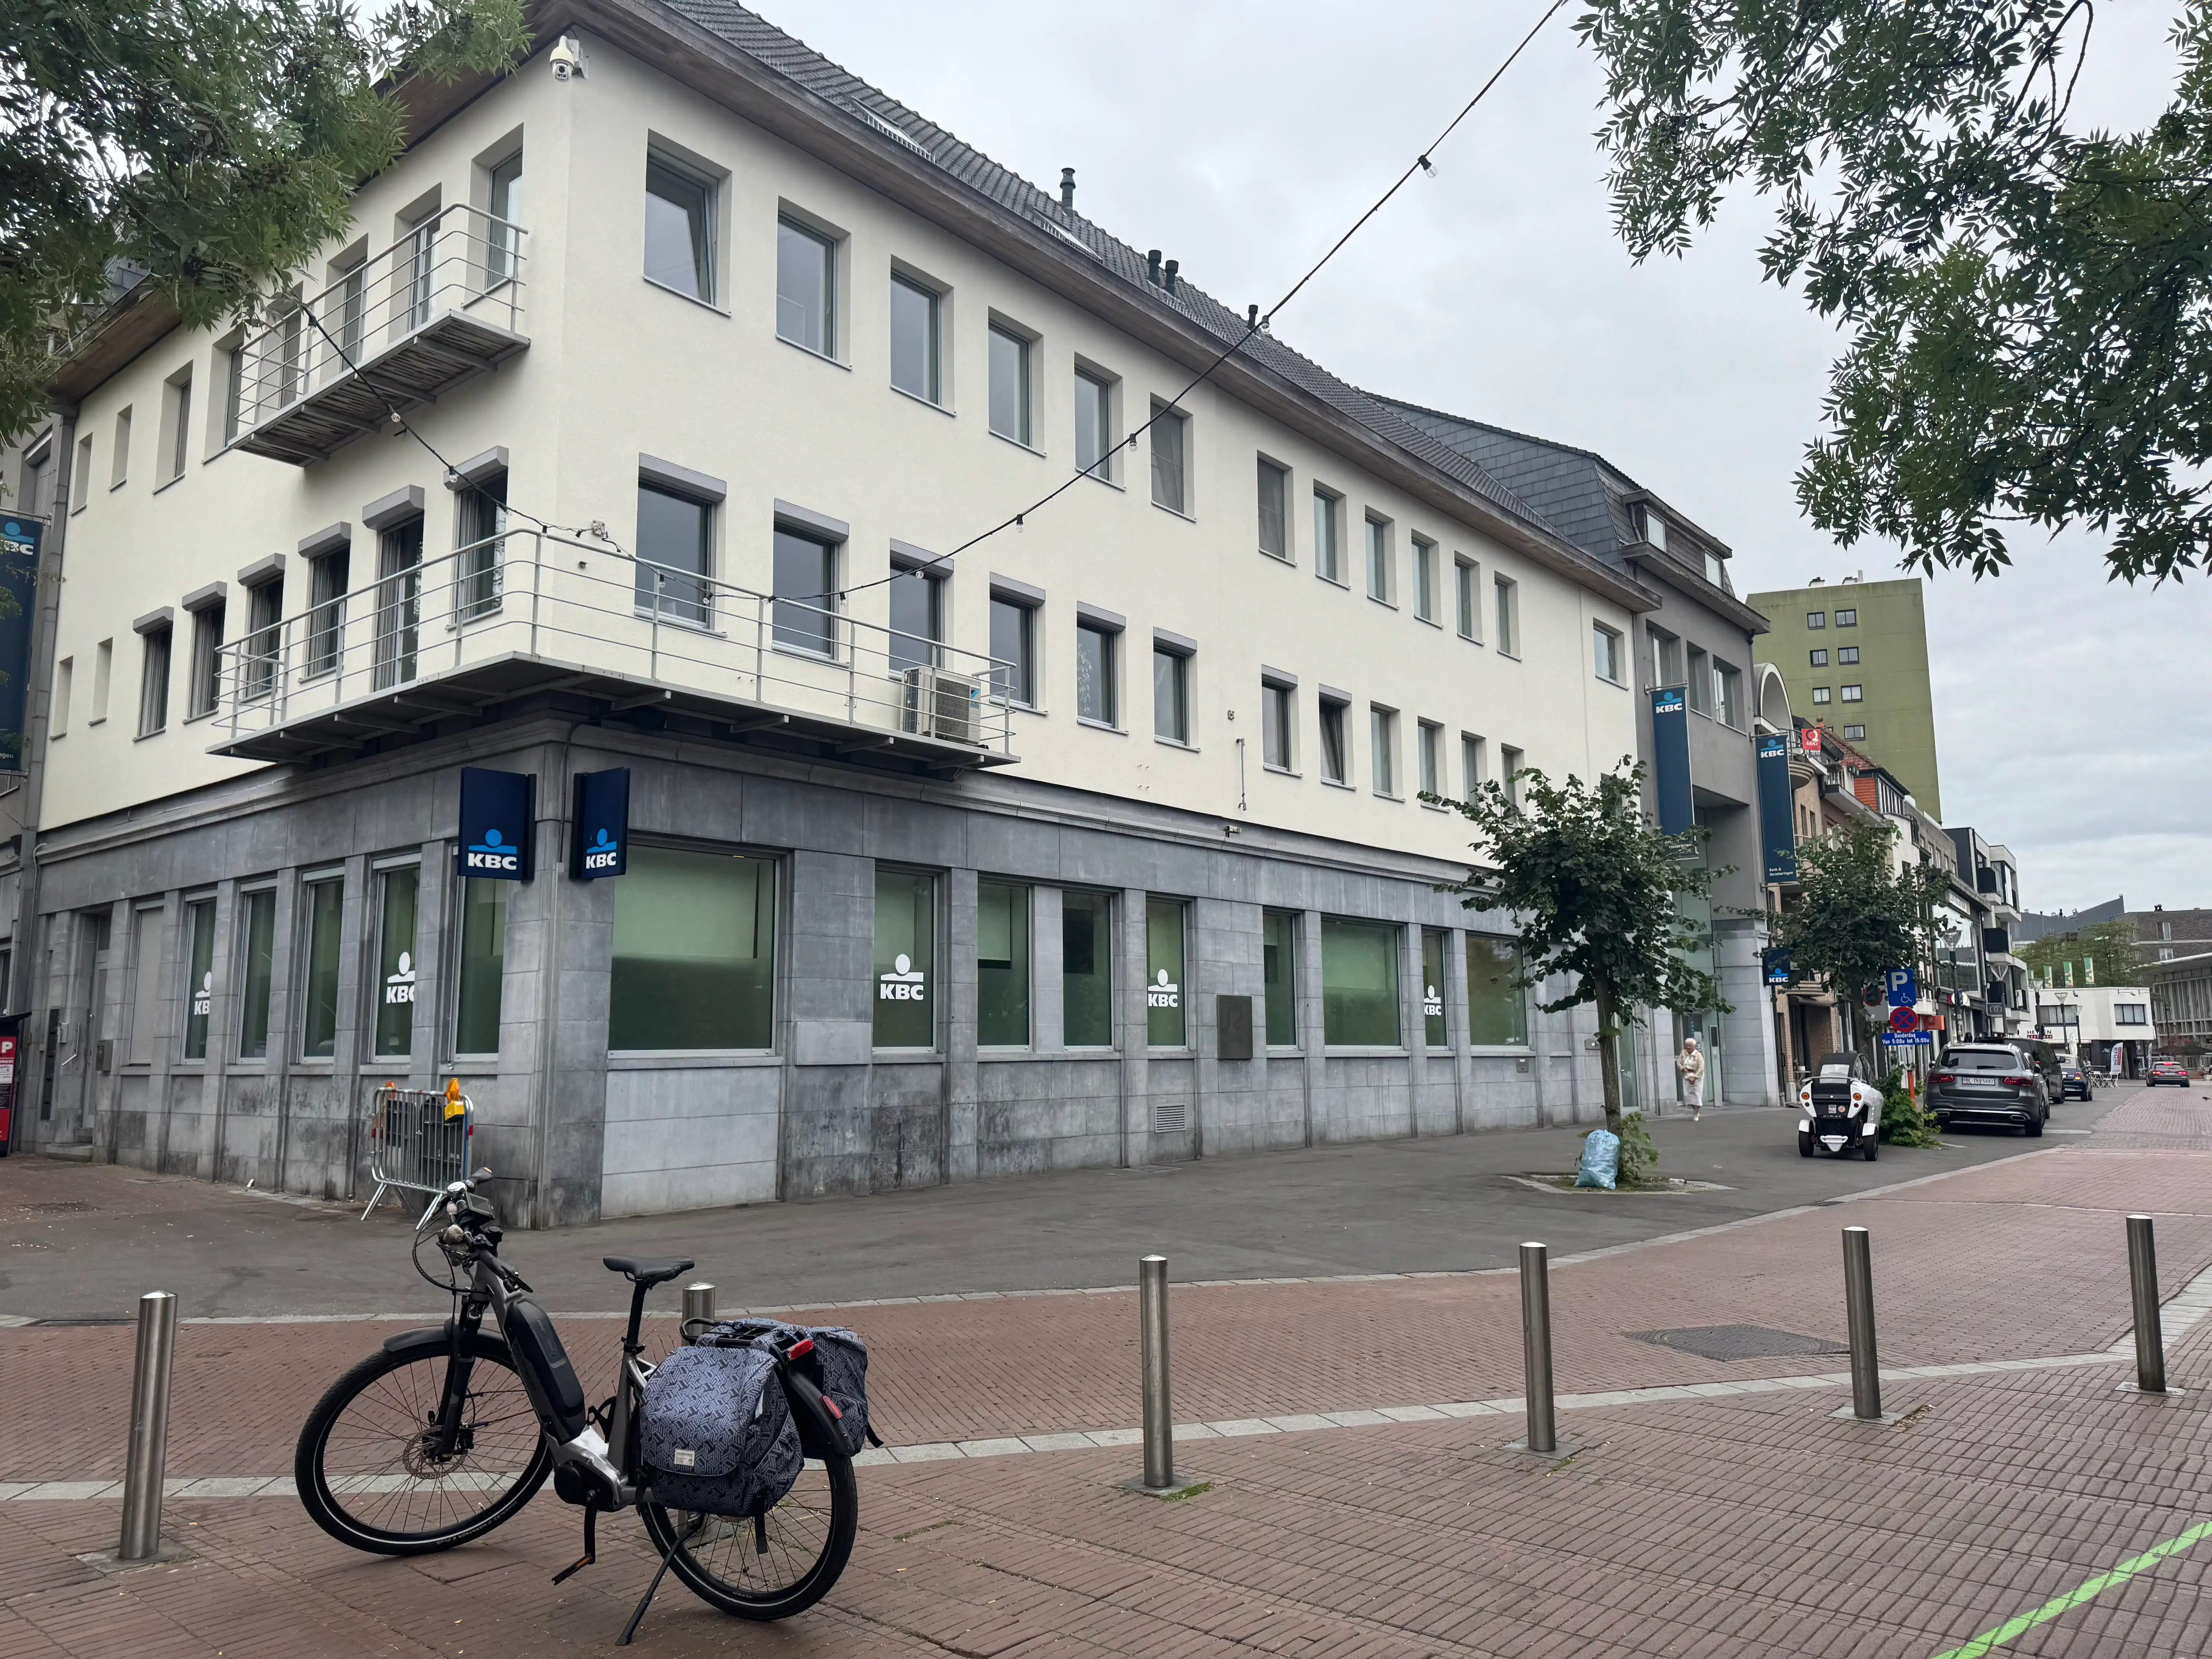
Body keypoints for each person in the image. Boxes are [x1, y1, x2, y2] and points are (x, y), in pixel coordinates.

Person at [1676, 1036, 1707, 1122]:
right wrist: (1682, 1068)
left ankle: (1696, 1114)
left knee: (1697, 1095)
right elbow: (1679, 1063)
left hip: (1697, 1076)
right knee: (1688, 1096)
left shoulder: (1698, 1055)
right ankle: (1695, 1109)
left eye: (1690, 1046)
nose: (1688, 1047)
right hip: (1687, 1075)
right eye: (1687, 1046)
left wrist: (1695, 1077)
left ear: (1694, 1046)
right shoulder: (1683, 1053)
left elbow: (1702, 1067)